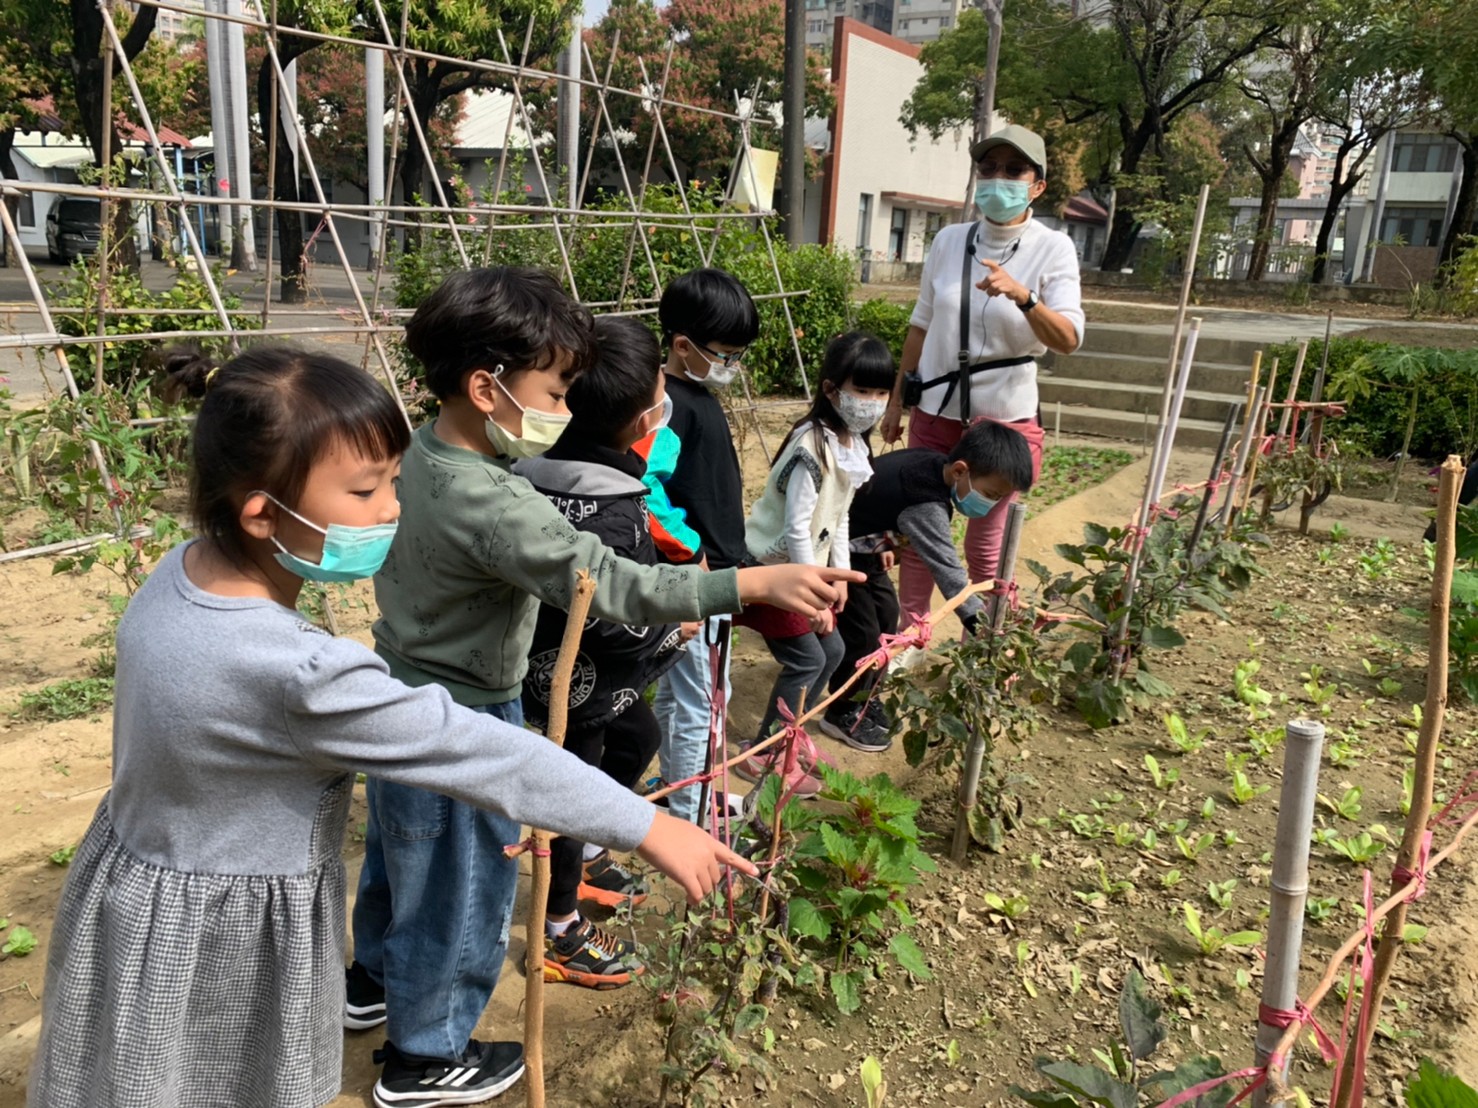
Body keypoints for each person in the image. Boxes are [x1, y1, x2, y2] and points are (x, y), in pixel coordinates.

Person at [25, 347, 759, 1108]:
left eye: (394, 481)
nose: (392, 508)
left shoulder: (177, 574)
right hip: (227, 938)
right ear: (263, 513)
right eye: (368, 490)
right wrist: (644, 824)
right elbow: (479, 749)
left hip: (132, 893)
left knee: (130, 1069)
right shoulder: (300, 673)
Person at [349, 267, 858, 1106]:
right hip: (466, 709)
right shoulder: (493, 501)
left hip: (403, 689)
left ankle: (371, 981)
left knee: (402, 862)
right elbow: (616, 585)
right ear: (487, 387)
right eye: (552, 388)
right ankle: (425, 1056)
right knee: (463, 886)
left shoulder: (420, 452)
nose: (561, 406)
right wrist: (751, 586)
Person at [517, 316, 692, 988]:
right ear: (641, 417)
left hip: (562, 670)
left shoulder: (537, 474)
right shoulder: (614, 508)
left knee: (638, 734)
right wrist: (668, 626)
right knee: (574, 791)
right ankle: (559, 927)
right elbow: (608, 615)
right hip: (577, 684)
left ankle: (585, 849)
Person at [879, 123, 1084, 618]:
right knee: (921, 534)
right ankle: (908, 642)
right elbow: (921, 325)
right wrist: (895, 400)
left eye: (1014, 171)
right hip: (936, 412)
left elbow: (1069, 338)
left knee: (985, 548)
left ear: (1038, 184)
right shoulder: (950, 241)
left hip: (1004, 423)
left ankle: (988, 642)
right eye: (989, 169)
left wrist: (1024, 296)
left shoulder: (1053, 248)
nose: (999, 179)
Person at [822, 420, 1037, 749]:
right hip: (835, 554)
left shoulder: (934, 463)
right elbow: (948, 571)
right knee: (864, 634)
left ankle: (865, 698)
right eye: (991, 494)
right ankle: (841, 712)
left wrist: (885, 544)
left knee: (886, 617)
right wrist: (982, 629)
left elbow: (882, 506)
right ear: (962, 470)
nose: (991, 504)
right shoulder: (925, 503)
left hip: (864, 548)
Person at [738, 332, 895, 776]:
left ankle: (787, 735)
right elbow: (796, 527)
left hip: (802, 570)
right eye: (862, 391)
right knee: (808, 656)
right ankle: (765, 750)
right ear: (830, 389)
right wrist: (816, 596)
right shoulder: (811, 444)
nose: (872, 402)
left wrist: (839, 578)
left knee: (833, 650)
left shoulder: (852, 444)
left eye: (881, 392)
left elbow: (840, 516)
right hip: (771, 569)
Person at [640, 268, 758, 823]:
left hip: (712, 568)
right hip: (695, 575)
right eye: (726, 355)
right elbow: (648, 490)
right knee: (704, 698)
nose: (732, 366)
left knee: (690, 691)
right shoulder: (668, 406)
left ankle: (680, 788)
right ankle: (690, 810)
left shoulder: (694, 396)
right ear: (683, 345)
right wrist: (691, 550)